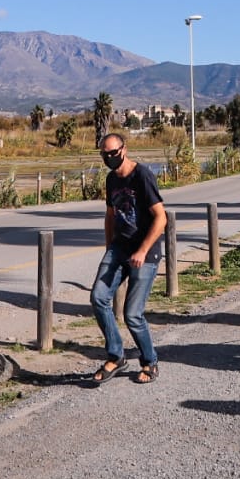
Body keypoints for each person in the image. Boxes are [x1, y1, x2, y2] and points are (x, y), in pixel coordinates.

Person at [90, 131, 167, 384]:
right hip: (119, 247)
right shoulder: (111, 180)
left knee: (133, 314)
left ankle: (149, 361)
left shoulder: (142, 175)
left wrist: (143, 250)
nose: (110, 157)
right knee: (98, 297)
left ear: (124, 149)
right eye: (105, 154)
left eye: (114, 153)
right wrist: (109, 247)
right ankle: (116, 355)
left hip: (146, 251)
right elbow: (111, 215)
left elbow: (161, 217)